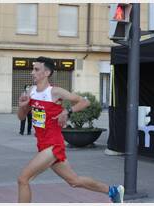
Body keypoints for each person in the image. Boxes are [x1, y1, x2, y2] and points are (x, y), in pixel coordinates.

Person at [17, 56, 124, 203]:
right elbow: (21, 118)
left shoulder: (55, 91)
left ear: (47, 73)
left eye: (36, 69)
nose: (32, 72)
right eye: (32, 69)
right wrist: (22, 106)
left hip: (53, 145)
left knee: (23, 179)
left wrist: (67, 111)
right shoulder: (31, 91)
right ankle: (113, 190)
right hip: (42, 144)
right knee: (74, 181)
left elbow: (84, 102)